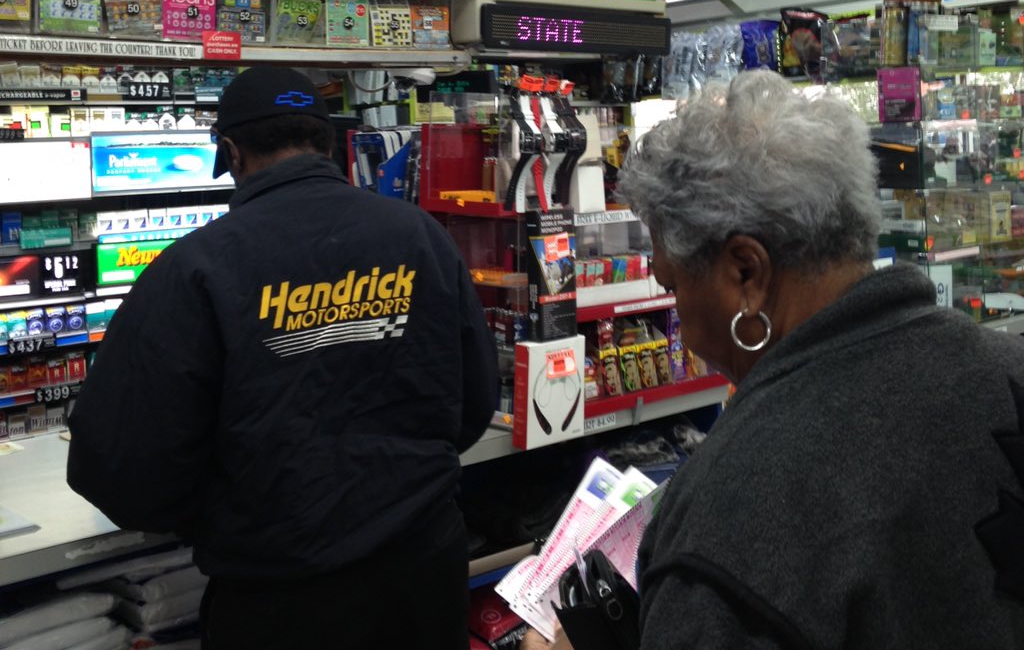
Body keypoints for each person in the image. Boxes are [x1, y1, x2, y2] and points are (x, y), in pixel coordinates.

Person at [523, 70, 1024, 649]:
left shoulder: (734, 514)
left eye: (675, 284)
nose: (679, 317)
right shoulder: (1007, 370)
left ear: (746, 274)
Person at [67, 65, 498, 650]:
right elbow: (473, 404)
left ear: (230, 153)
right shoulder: (420, 235)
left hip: (282, 599)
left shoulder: (196, 268)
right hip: (424, 579)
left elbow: (120, 470)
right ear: (328, 144)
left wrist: (213, 512)